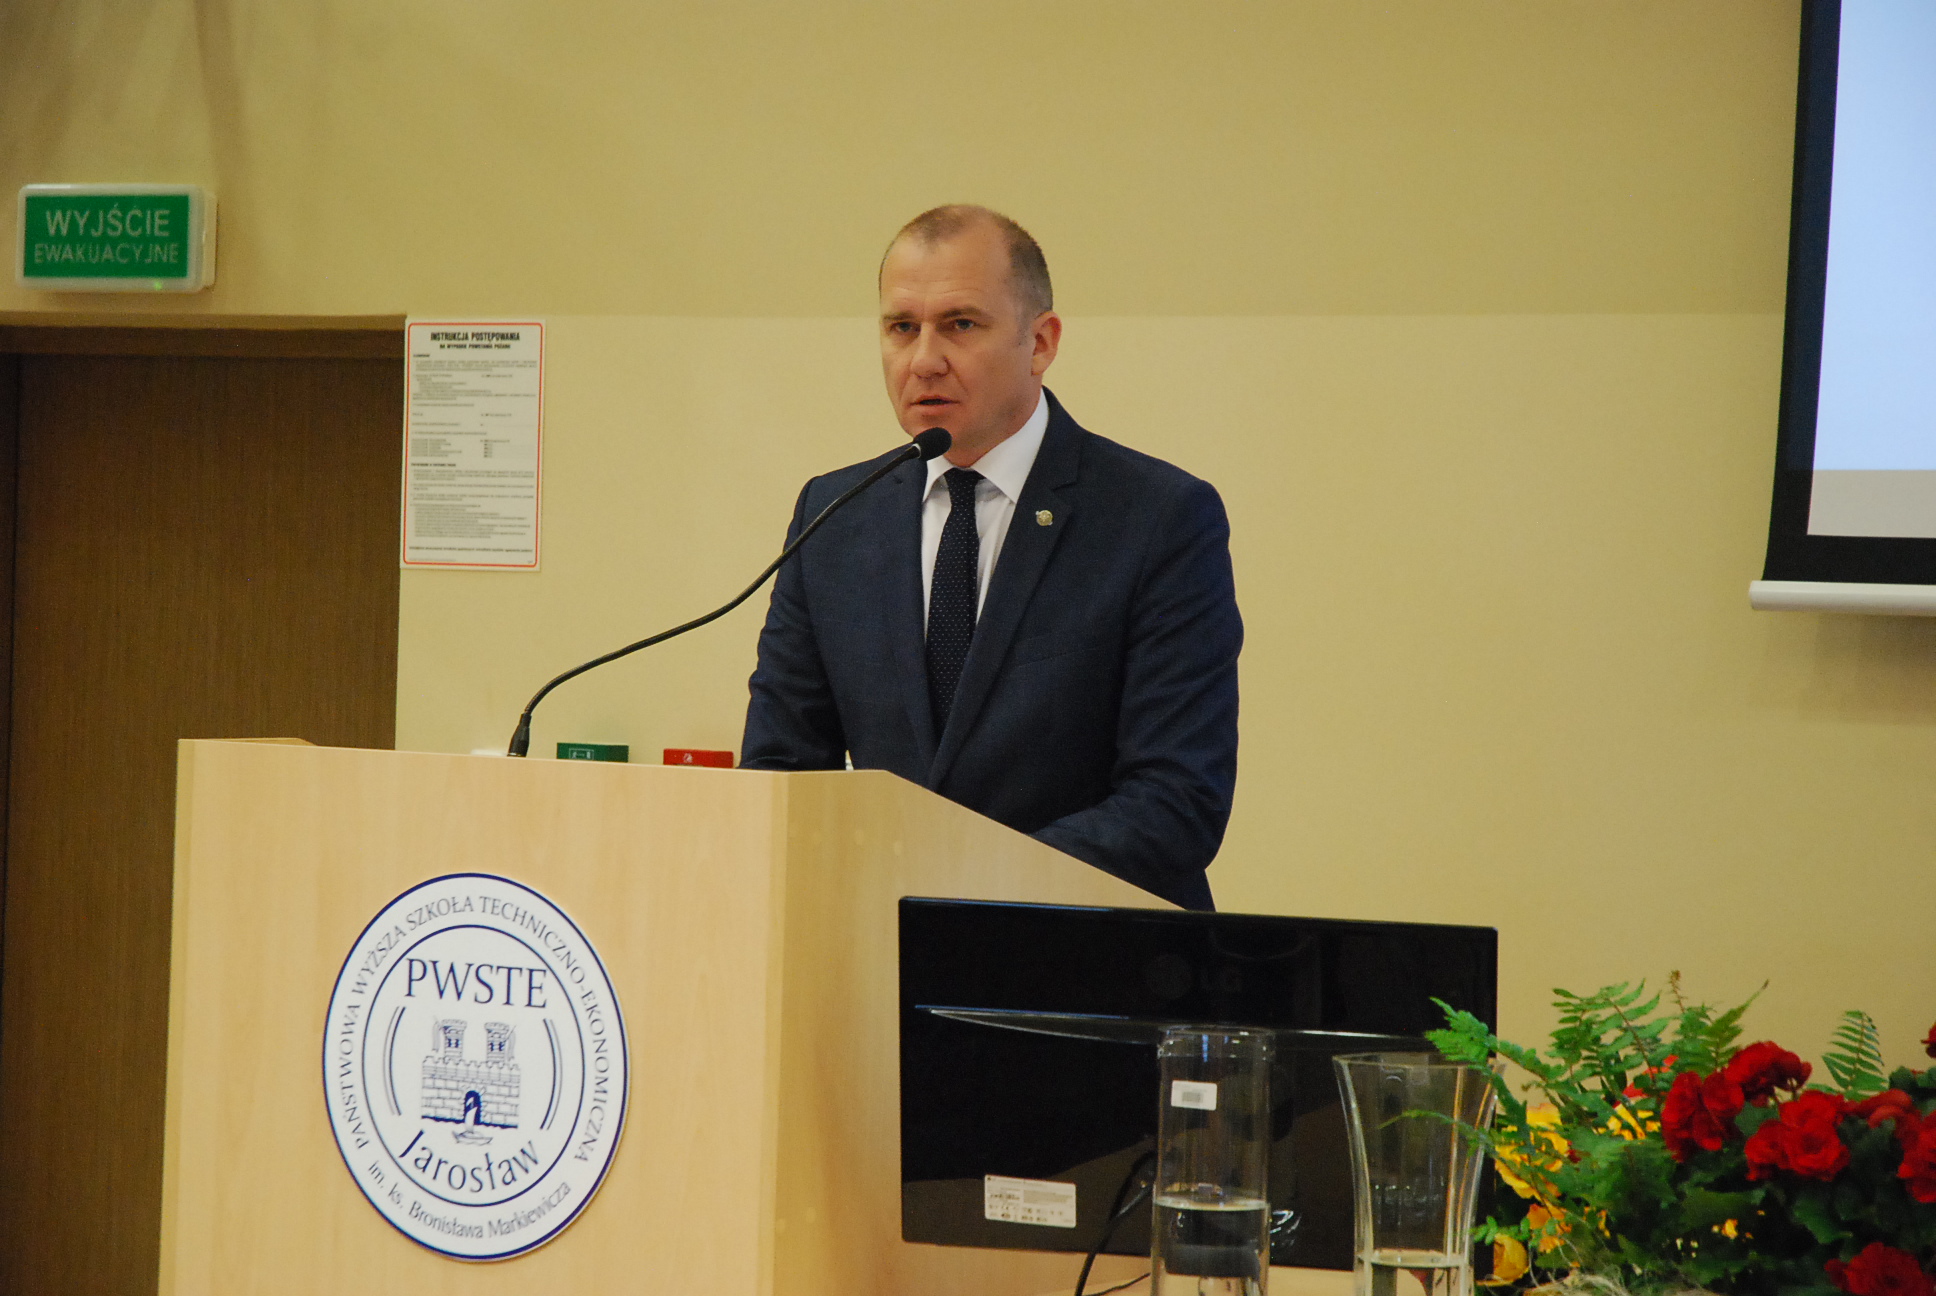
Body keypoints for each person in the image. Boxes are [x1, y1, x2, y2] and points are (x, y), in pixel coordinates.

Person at [739, 205, 1241, 910]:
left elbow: (1176, 802)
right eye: (901, 327)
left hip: (1089, 956)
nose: (924, 360)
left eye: (960, 324)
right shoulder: (835, 515)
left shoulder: (1158, 517)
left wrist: (960, 886)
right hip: (877, 952)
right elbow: (782, 772)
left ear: (1041, 342)